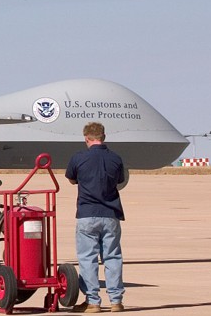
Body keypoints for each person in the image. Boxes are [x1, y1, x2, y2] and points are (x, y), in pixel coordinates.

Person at [65, 122, 126, 313]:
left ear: (86, 138)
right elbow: (120, 181)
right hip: (111, 215)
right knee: (113, 257)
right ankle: (116, 301)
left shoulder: (78, 158)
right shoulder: (115, 159)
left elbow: (71, 179)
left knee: (88, 258)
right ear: (104, 136)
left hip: (87, 214)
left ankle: (93, 301)